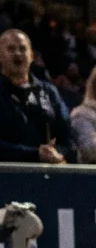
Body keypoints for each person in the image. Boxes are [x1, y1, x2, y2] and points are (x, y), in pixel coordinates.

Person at [0, 29, 75, 164]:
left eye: (23, 49)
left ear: (32, 55)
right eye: (10, 49)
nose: (17, 53)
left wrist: (59, 153)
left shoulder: (49, 92)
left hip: (49, 176)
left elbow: (68, 137)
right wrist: (34, 154)